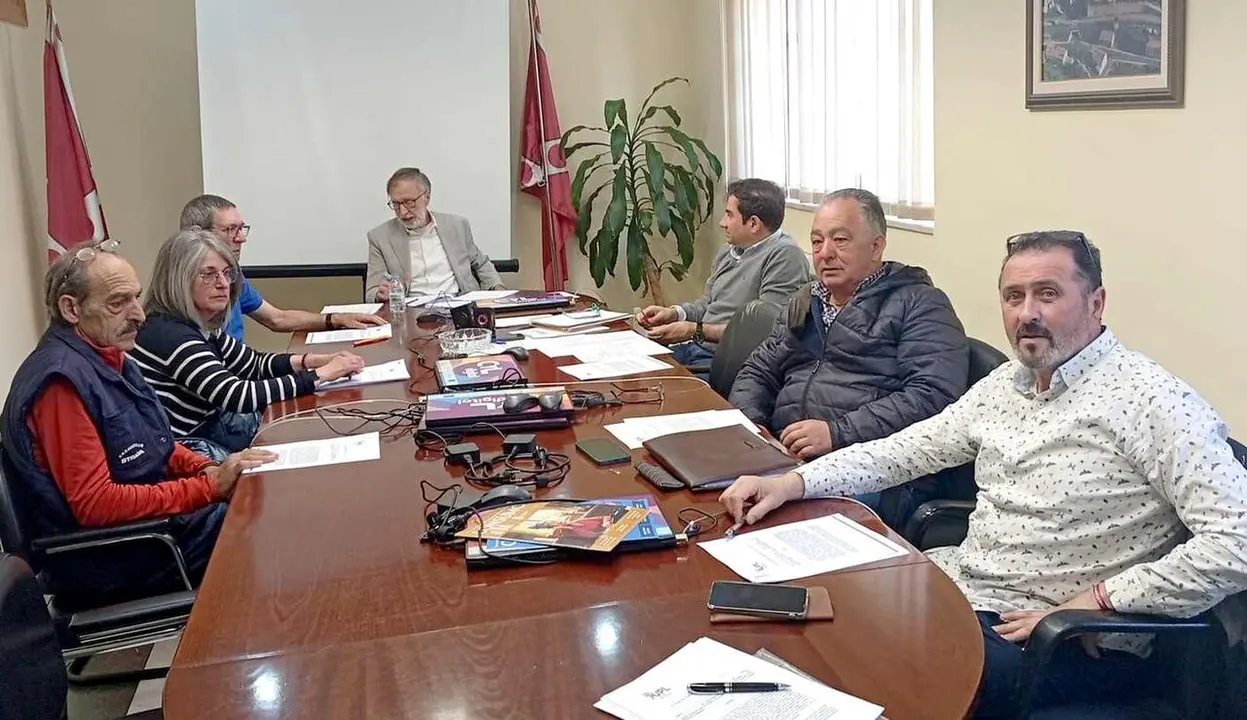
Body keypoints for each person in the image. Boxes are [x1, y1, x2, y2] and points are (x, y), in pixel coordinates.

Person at [719, 231, 1247, 718]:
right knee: (811, 627)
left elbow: (1236, 540)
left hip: (1056, 636)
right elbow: (908, 449)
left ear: (1096, 302)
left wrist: (1102, 600)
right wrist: (792, 482)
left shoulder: (1153, 400)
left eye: (1048, 294)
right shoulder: (1009, 384)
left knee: (866, 681)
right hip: (963, 590)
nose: (1027, 313)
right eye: (1014, 297)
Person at [0, 240, 276, 605]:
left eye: (136, 298)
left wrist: (210, 468)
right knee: (255, 523)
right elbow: (97, 504)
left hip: (145, 532)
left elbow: (158, 445)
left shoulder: (111, 355)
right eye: (118, 302)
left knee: (255, 498)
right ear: (71, 309)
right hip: (112, 555)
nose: (139, 314)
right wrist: (207, 489)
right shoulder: (60, 384)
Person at [729, 188, 968, 527]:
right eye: (816, 242)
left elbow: (933, 396)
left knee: (765, 521)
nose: (825, 253)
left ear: (876, 245)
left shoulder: (919, 303)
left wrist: (838, 432)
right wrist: (751, 429)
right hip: (783, 457)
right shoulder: (806, 300)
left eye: (840, 240)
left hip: (874, 472)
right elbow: (758, 369)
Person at [132, 230, 365, 459]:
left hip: (212, 427)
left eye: (226, 273)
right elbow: (236, 395)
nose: (223, 284)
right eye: (209, 274)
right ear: (178, 279)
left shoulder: (197, 323)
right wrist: (320, 375)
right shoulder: (169, 334)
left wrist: (310, 361)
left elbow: (253, 364)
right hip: (186, 449)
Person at [635, 178, 811, 374]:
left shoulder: (785, 256)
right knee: (629, 370)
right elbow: (708, 304)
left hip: (727, 362)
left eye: (729, 215)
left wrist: (694, 330)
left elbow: (764, 332)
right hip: (695, 348)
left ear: (753, 223)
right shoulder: (729, 251)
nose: (722, 223)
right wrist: (674, 314)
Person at [180, 194, 385, 342]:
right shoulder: (179, 290)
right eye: (231, 229)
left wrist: (335, 320)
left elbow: (277, 318)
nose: (241, 238)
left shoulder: (233, 275)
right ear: (196, 233)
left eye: (242, 229)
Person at [365, 167, 505, 302]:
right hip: (412, 312)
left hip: (459, 304)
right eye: (396, 204)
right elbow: (372, 292)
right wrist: (380, 294)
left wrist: (498, 290)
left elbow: (481, 264)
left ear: (426, 196)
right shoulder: (379, 237)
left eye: (409, 202)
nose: (402, 212)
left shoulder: (456, 225)